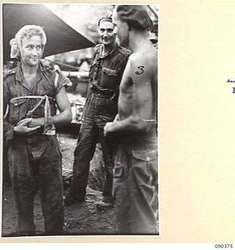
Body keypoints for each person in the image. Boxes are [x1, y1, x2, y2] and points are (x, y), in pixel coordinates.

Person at [3, 25, 72, 235]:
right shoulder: (6, 80)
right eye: (30, 46)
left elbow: (68, 115)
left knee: (53, 202)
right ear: (20, 47)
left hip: (48, 148)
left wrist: (41, 122)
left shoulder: (53, 76)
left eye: (39, 47)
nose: (35, 52)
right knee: (23, 202)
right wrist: (15, 130)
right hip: (18, 150)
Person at [65, 16, 130, 207]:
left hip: (109, 112)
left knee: (110, 157)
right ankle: (76, 195)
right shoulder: (97, 51)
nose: (105, 34)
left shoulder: (125, 57)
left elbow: (128, 90)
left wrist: (120, 116)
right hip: (90, 109)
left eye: (109, 30)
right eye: (102, 30)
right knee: (81, 153)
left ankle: (109, 198)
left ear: (116, 31)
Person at [104, 5, 158, 234]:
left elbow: (142, 121)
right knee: (129, 220)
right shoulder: (148, 55)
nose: (115, 32)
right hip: (134, 153)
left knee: (139, 226)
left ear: (127, 24)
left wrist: (111, 127)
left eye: (115, 25)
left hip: (137, 154)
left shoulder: (140, 61)